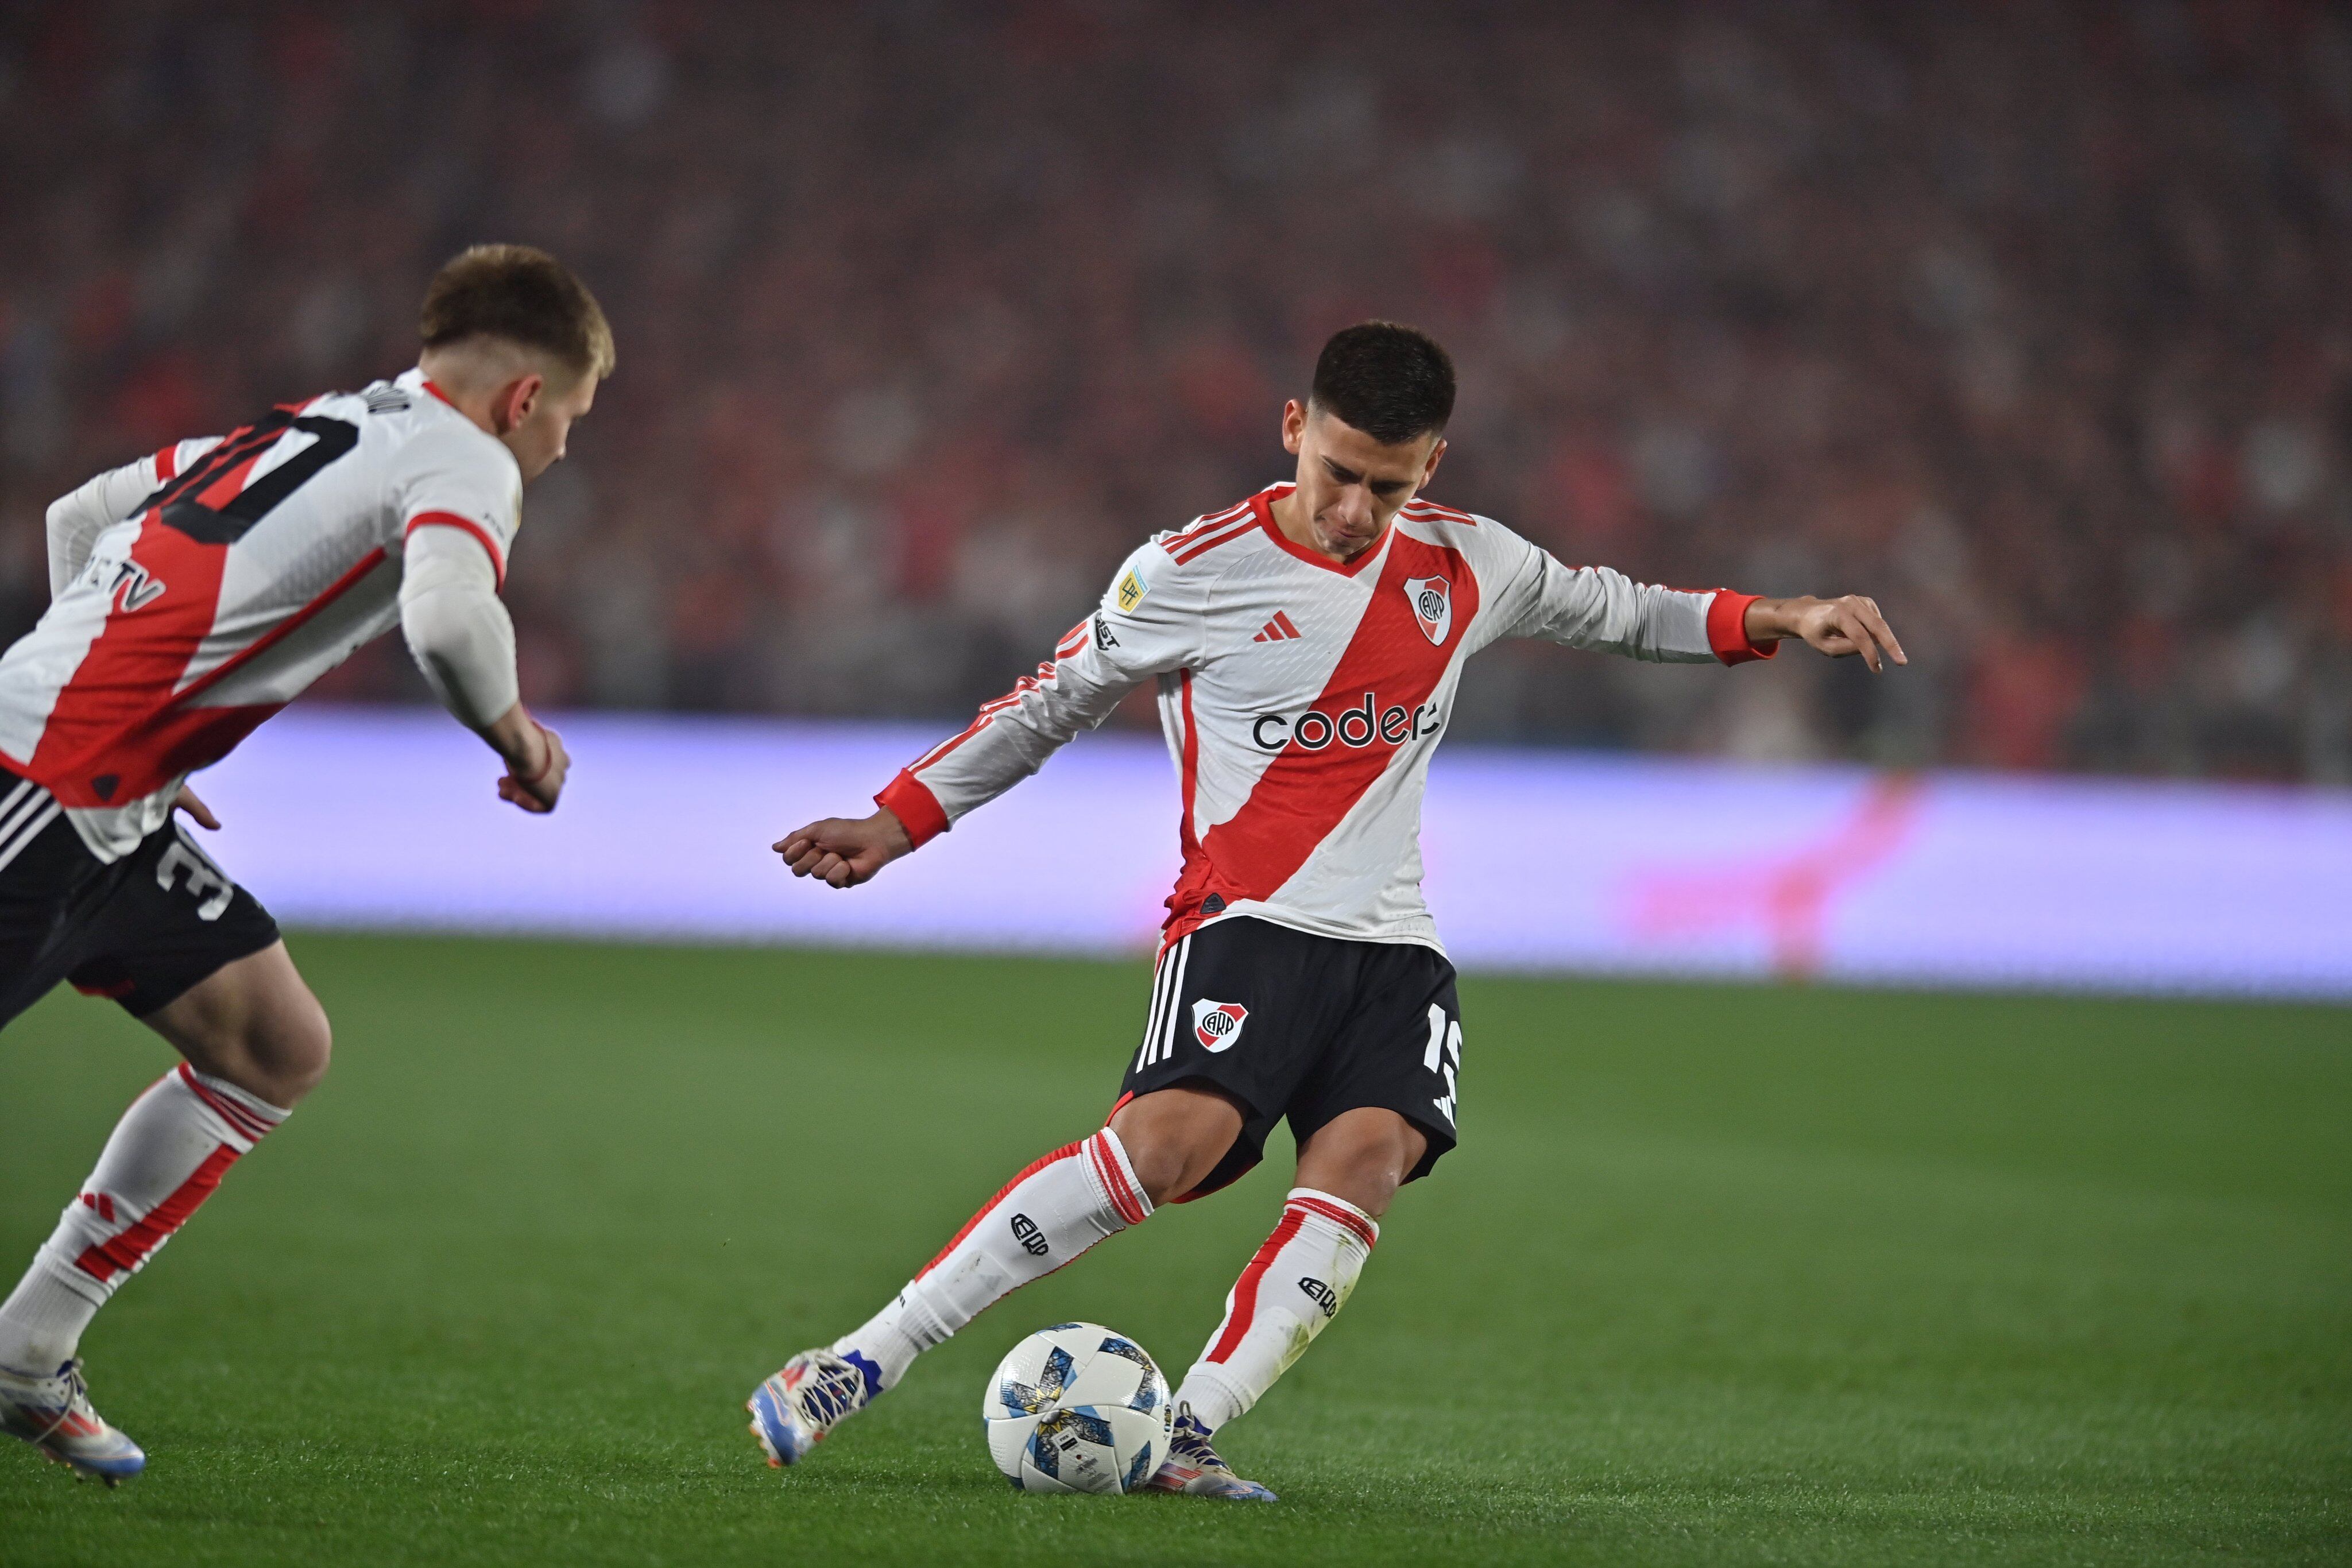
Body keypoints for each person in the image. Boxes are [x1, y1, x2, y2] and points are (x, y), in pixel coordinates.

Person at [750, 322, 1906, 1500]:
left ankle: (1183, 1433)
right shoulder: (1189, 570)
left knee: (1367, 1160)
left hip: (1394, 946)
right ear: (1293, 430)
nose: (1356, 509)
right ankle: (856, 1361)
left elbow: (1616, 608)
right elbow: (1048, 703)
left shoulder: (1469, 564)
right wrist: (899, 820)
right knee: (1165, 1150)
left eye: (1387, 485)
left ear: (1431, 468)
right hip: (1246, 919)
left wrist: (1778, 615)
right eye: (1338, 474)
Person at [0, 244, 613, 1485]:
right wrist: (519, 738)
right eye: (572, 420)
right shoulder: (466, 460)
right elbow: (447, 621)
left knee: (274, 1045)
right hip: (36, 791)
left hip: (107, 810)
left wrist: (136, 723)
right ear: (523, 398)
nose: (559, 451)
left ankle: (25, 1354)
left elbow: (81, 516)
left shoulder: (328, 421)